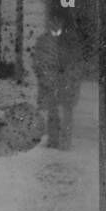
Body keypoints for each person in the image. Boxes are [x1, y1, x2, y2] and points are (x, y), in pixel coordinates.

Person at [32, 10, 83, 150]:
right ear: (49, 23)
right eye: (52, 21)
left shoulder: (69, 41)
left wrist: (71, 78)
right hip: (49, 83)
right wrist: (45, 78)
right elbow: (37, 62)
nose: (55, 24)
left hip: (65, 83)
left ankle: (65, 142)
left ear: (61, 23)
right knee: (52, 113)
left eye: (57, 21)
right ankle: (53, 141)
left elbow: (75, 62)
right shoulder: (42, 41)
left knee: (67, 113)